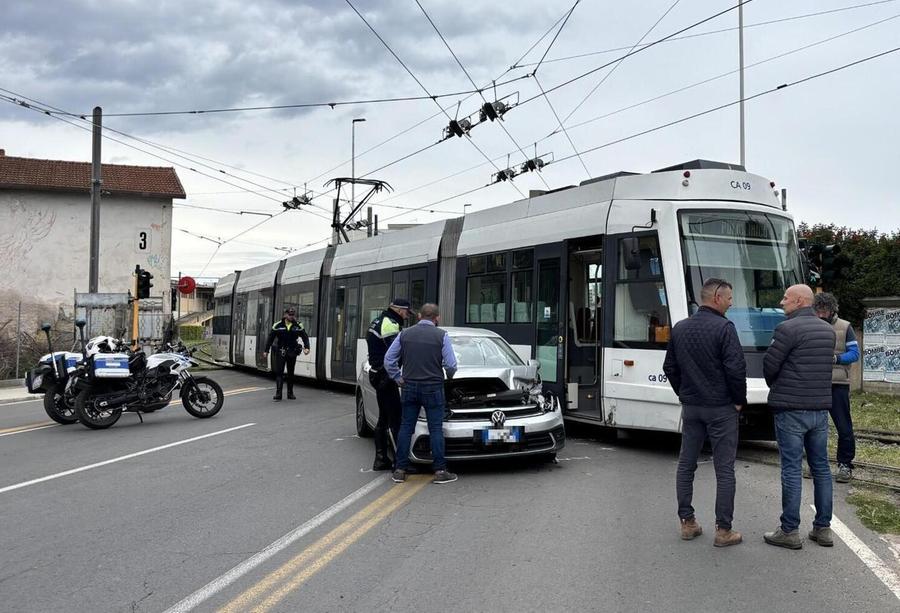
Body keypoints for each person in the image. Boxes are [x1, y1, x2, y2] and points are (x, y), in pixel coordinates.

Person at [663, 278, 746, 547]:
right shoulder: (725, 328)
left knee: (686, 464)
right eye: (730, 298)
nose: (732, 303)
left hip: (692, 407)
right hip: (721, 408)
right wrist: (738, 400)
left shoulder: (681, 328)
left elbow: (670, 367)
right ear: (717, 298)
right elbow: (735, 369)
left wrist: (683, 393)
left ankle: (687, 523)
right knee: (724, 469)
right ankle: (723, 530)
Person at [763, 284, 836, 549]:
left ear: (798, 301)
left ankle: (790, 531)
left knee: (792, 469)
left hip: (791, 409)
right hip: (819, 410)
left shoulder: (787, 329)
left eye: (785, 298)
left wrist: (777, 386)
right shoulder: (827, 331)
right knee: (821, 469)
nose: (782, 302)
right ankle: (823, 528)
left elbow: (770, 365)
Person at [384, 303, 458, 485]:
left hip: (409, 387)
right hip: (433, 387)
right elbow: (451, 364)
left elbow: (388, 360)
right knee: (435, 429)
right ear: (437, 318)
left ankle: (400, 470)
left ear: (419, 316)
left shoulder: (404, 334)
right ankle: (440, 471)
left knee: (406, 427)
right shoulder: (442, 336)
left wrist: (397, 377)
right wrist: (448, 377)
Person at [814, 292, 860, 483]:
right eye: (818, 310)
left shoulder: (845, 326)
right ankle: (815, 463)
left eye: (824, 310)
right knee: (815, 427)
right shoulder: (812, 325)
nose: (821, 314)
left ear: (832, 310)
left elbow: (855, 354)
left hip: (838, 384)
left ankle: (845, 464)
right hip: (816, 383)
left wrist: (836, 359)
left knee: (844, 427)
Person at [365, 298, 412, 471]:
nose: (407, 316)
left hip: (378, 374)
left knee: (384, 419)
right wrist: (399, 375)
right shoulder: (390, 324)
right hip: (386, 376)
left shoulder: (379, 320)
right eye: (407, 312)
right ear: (399, 310)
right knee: (395, 420)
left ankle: (381, 459)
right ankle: (401, 464)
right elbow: (396, 353)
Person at [263, 307, 310, 401]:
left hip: (292, 352)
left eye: (293, 315)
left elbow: (305, 337)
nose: (291, 316)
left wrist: (307, 347)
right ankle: (278, 394)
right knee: (279, 373)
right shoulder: (277, 325)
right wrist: (266, 351)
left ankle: (290, 393)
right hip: (281, 351)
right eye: (290, 315)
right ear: (285, 315)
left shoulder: (298, 325)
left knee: (290, 373)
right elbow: (270, 338)